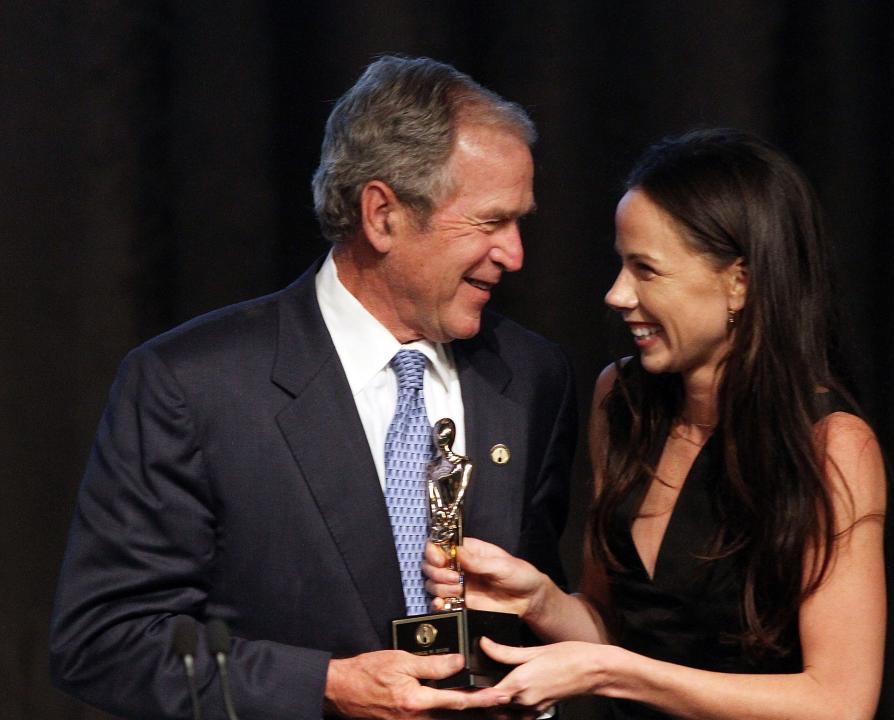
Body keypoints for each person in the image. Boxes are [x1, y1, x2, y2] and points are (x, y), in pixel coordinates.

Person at [49, 55, 576, 720]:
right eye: (490, 222)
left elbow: (538, 609)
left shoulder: (532, 377)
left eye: (520, 221)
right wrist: (325, 685)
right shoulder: (194, 385)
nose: (516, 253)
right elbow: (105, 641)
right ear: (382, 214)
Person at [424, 129, 887, 719]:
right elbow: (619, 631)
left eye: (646, 270)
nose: (618, 294)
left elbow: (839, 703)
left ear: (739, 281)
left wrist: (613, 671)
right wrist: (539, 600)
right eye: (621, 264)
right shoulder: (621, 400)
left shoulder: (831, 445)